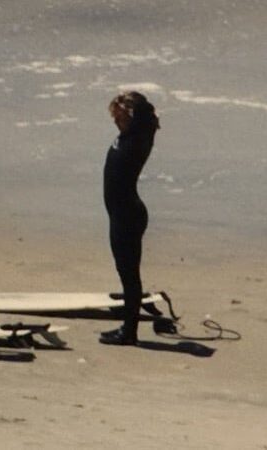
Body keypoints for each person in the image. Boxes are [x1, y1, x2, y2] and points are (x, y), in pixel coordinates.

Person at [99, 91, 160, 346]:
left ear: (132, 116)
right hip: (122, 213)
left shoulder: (138, 138)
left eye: (120, 116)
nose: (115, 121)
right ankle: (129, 318)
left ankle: (129, 331)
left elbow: (145, 116)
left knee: (129, 274)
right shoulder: (130, 135)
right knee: (126, 272)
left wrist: (136, 110)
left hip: (127, 215)